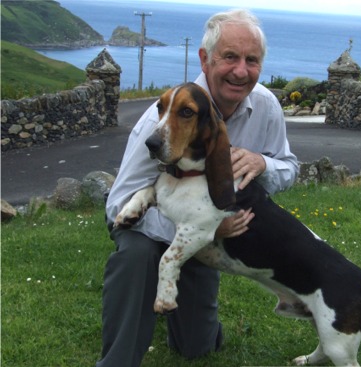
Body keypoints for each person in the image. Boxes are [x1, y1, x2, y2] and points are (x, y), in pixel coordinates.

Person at [97, 9, 299, 367]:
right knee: (137, 256)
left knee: (197, 347)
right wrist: (202, 228)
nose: (241, 71)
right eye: (230, 57)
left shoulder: (265, 105)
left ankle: (192, 317)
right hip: (151, 229)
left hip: (203, 237)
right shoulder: (158, 122)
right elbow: (117, 207)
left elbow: (289, 167)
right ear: (205, 59)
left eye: (251, 60)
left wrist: (263, 163)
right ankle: (118, 358)